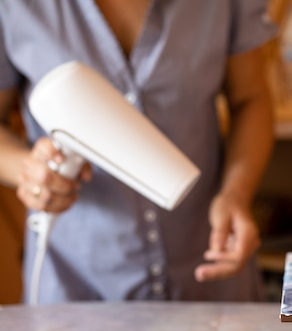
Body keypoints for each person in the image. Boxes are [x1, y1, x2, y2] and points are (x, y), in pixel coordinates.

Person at [0, 0, 277, 303]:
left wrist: (236, 193)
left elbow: (250, 99)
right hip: (78, 282)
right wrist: (27, 170)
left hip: (204, 261)